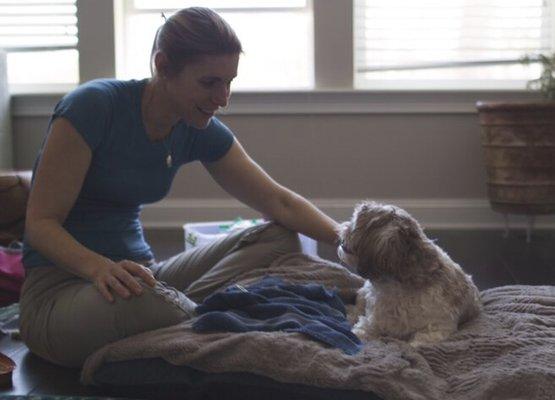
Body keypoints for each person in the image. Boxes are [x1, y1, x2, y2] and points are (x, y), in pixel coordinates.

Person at [19, 7, 339, 368]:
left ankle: (190, 315)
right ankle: (205, 317)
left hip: (145, 279)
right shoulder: (93, 107)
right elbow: (41, 224)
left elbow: (279, 202)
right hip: (60, 295)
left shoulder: (196, 126)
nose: (223, 97)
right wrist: (99, 268)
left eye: (228, 81)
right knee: (150, 302)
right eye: (209, 83)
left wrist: (351, 239)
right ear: (163, 65)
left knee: (279, 238)